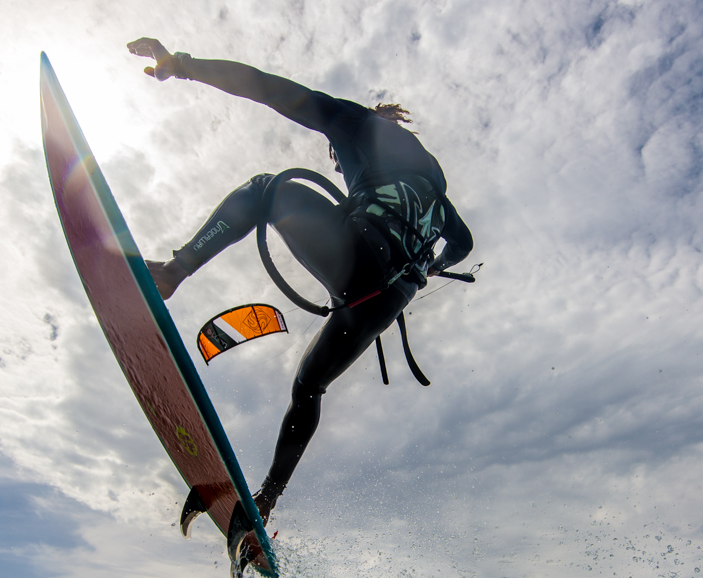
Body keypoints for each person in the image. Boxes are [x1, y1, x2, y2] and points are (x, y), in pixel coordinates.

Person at [127, 38, 474, 529]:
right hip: (383, 303)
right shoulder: (438, 192)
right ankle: (266, 499)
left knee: (265, 189)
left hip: (363, 257)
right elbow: (464, 243)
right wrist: (433, 266)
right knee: (308, 386)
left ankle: (170, 273)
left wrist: (182, 66)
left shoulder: (358, 124)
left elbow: (269, 89)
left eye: (335, 154)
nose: (336, 163)